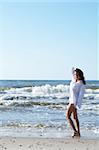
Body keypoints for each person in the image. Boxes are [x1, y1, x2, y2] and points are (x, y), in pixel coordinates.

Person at [66, 67, 86, 138]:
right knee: (75, 117)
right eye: (75, 75)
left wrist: (77, 105)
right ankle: (78, 133)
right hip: (71, 101)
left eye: (77, 75)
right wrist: (73, 71)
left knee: (68, 116)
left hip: (73, 102)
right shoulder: (74, 81)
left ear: (80, 75)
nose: (76, 76)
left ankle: (75, 131)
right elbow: (73, 75)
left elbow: (81, 96)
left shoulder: (81, 84)